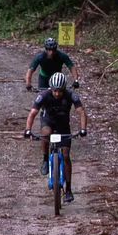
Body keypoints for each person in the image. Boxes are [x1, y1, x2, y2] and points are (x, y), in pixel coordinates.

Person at [24, 73, 87, 203]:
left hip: (63, 125)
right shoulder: (43, 95)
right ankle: (45, 159)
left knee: (65, 156)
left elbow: (81, 112)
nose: (57, 93)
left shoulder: (71, 95)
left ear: (64, 89)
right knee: (45, 133)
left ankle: (68, 189)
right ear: (51, 88)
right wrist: (28, 130)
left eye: (60, 91)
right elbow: (33, 113)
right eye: (55, 90)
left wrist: (83, 129)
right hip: (48, 122)